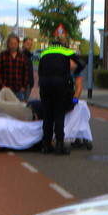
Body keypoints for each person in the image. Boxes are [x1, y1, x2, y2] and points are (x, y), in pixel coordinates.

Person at [38, 27, 75, 155]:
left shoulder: (45, 52)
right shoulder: (66, 51)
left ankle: (46, 144)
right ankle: (59, 144)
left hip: (45, 86)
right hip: (60, 87)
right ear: (63, 42)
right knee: (59, 115)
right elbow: (81, 63)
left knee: (47, 115)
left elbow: (40, 69)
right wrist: (71, 74)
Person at [0, 34, 33, 102]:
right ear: (8, 44)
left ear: (18, 44)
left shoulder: (22, 57)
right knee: (5, 108)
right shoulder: (2, 56)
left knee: (19, 108)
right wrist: (2, 85)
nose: (13, 46)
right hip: (5, 90)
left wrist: (24, 86)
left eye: (15, 44)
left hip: (19, 90)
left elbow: (26, 73)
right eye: (11, 43)